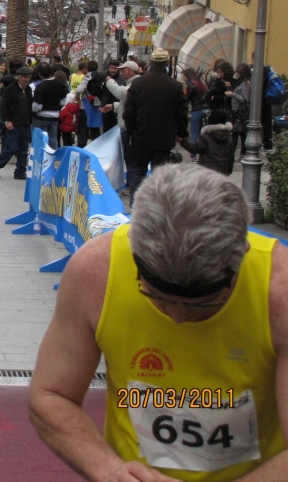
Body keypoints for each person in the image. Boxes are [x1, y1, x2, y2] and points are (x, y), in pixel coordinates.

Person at [29, 164, 288, 482]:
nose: (178, 318)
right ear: (134, 253)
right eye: (157, 297)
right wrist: (107, 469)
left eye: (203, 304)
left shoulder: (280, 291)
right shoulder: (96, 270)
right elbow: (52, 395)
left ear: (243, 254)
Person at [122, 47, 189, 204]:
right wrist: (181, 133)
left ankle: (137, 202)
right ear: (166, 64)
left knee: (138, 170)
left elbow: (128, 112)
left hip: (141, 135)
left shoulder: (138, 84)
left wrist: (132, 131)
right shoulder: (175, 86)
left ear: (151, 63)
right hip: (164, 137)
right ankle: (158, 204)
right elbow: (182, 114)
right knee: (161, 173)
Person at [0, 66, 33, 180]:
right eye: (24, 77)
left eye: (28, 77)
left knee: (24, 150)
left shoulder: (28, 90)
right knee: (11, 148)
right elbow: (3, 107)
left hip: (25, 124)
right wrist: (6, 121)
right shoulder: (10, 89)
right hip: (13, 125)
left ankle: (20, 171)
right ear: (18, 77)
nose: (26, 79)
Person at [179, 110, 235, 175]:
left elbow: (194, 149)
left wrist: (182, 141)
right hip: (222, 173)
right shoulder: (229, 139)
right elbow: (231, 159)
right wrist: (228, 172)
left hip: (206, 172)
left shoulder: (205, 137)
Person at [32, 62, 68, 150]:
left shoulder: (40, 87)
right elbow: (63, 102)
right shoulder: (60, 85)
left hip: (41, 117)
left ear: (40, 74)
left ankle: (41, 158)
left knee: (41, 140)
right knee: (53, 139)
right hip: (55, 116)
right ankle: (52, 158)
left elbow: (36, 106)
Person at [182, 67, 209, 160]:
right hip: (205, 110)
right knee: (203, 133)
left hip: (196, 110)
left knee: (194, 133)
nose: (183, 79)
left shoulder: (190, 85)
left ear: (187, 76)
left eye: (183, 77)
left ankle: (193, 155)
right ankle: (203, 153)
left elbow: (186, 99)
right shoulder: (201, 84)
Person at [227, 63, 252, 160]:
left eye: (237, 72)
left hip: (240, 112)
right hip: (237, 110)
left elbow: (244, 99)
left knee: (238, 133)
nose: (236, 74)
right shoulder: (240, 82)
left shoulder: (245, 84)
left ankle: (239, 153)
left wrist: (233, 94)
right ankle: (240, 153)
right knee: (239, 133)